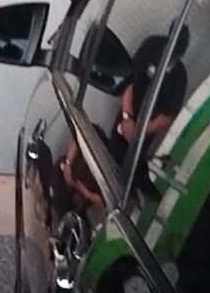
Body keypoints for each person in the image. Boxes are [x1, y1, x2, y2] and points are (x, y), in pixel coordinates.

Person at [61, 25, 189, 208]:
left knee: (137, 159)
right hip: (129, 113)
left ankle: (145, 193)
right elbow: (128, 80)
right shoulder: (152, 46)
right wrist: (127, 116)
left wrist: (141, 131)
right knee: (117, 151)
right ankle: (123, 195)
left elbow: (168, 116)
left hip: (148, 124)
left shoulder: (179, 77)